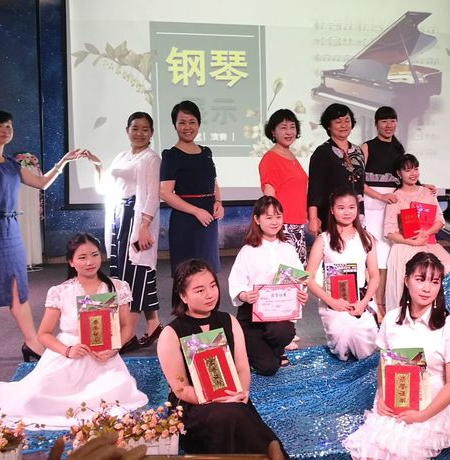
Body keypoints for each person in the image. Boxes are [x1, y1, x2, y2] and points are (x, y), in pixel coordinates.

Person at [0, 233, 148, 428]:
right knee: (36, 398)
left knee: (120, 390)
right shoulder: (61, 292)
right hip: (68, 355)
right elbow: (43, 334)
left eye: (94, 255)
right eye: (82, 257)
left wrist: (114, 349)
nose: (90, 262)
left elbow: (127, 326)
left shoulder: (117, 287)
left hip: (103, 355)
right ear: (71, 262)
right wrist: (68, 351)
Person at [0, 109, 84, 366]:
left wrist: (63, 162)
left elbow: (41, 183)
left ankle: (31, 341)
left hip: (9, 230)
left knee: (18, 287)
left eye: (8, 126)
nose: (5, 130)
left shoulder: (11, 164)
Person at [156, 259, 287, 456]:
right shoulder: (171, 333)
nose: (210, 294)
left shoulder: (229, 321)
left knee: (235, 413)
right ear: (183, 296)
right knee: (232, 414)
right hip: (193, 404)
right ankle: (273, 451)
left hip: (231, 396)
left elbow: (242, 367)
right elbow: (180, 388)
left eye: (213, 286)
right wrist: (216, 399)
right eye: (200, 290)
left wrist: (240, 392)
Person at [343, 252, 450, 460]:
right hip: (399, 398)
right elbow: (384, 364)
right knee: (370, 450)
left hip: (435, 406)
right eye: (420, 279)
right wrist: (382, 394)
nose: (427, 288)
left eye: (434, 282)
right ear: (407, 280)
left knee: (403, 451)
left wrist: (422, 415)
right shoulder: (391, 319)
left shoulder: (449, 326)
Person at [87, 112, 162, 353]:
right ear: (127, 130)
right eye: (135, 128)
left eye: (145, 129)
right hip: (119, 217)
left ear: (151, 133)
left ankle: (127, 334)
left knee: (135, 272)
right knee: (122, 273)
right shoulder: (122, 156)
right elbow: (104, 188)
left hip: (136, 218)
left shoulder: (151, 158)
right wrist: (97, 165)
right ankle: (153, 324)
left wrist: (144, 226)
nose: (139, 133)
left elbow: (153, 196)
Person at [228, 196, 309, 375]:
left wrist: (301, 294)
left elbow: (299, 281)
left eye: (278, 217)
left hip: (279, 316)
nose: (274, 222)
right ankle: (255, 350)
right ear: (257, 219)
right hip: (252, 315)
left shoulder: (288, 250)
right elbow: (236, 283)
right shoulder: (247, 251)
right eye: (269, 217)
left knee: (282, 332)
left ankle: (277, 349)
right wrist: (245, 295)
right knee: (268, 368)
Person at [305, 189, 379, 361]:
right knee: (344, 334)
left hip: (361, 301)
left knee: (364, 344)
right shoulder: (323, 239)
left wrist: (363, 303)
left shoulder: (367, 239)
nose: (347, 212)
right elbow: (308, 277)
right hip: (333, 302)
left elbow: (375, 275)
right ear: (332, 210)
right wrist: (332, 302)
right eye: (341, 208)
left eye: (352, 207)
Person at [383, 154, 450, 311]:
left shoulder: (427, 192)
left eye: (415, 169)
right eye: (408, 170)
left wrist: (426, 232)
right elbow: (389, 232)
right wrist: (413, 242)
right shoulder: (395, 197)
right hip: (405, 245)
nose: (413, 173)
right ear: (399, 173)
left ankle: (438, 312)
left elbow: (440, 221)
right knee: (415, 275)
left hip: (428, 242)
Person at [160, 101, 224, 274]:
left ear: (199, 124)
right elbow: (165, 192)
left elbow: (214, 183)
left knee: (208, 270)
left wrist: (218, 202)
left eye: (192, 122)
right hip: (186, 220)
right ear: (175, 125)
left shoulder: (206, 152)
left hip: (208, 219)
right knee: (187, 273)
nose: (187, 127)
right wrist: (196, 211)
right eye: (182, 122)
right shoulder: (171, 155)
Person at [361, 107, 405, 317]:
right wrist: (380, 196)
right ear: (376, 123)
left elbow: (405, 177)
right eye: (384, 121)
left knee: (387, 258)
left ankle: (384, 304)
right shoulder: (366, 147)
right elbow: (357, 181)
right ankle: (373, 304)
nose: (389, 125)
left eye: (392, 121)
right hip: (372, 205)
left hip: (392, 206)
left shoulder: (398, 148)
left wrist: (424, 187)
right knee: (373, 255)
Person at [259, 109, 309, 264]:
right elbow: (269, 197)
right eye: (283, 127)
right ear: (273, 132)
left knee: (298, 274)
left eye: (292, 127)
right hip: (283, 227)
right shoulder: (271, 158)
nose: (289, 132)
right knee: (287, 275)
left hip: (297, 226)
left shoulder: (291, 155)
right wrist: (275, 226)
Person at [307, 103, 365, 234]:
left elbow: (361, 186)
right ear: (328, 125)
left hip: (357, 215)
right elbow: (314, 189)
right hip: (330, 215)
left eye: (347, 120)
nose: (343, 125)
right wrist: (313, 218)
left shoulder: (358, 151)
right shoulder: (322, 152)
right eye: (338, 122)